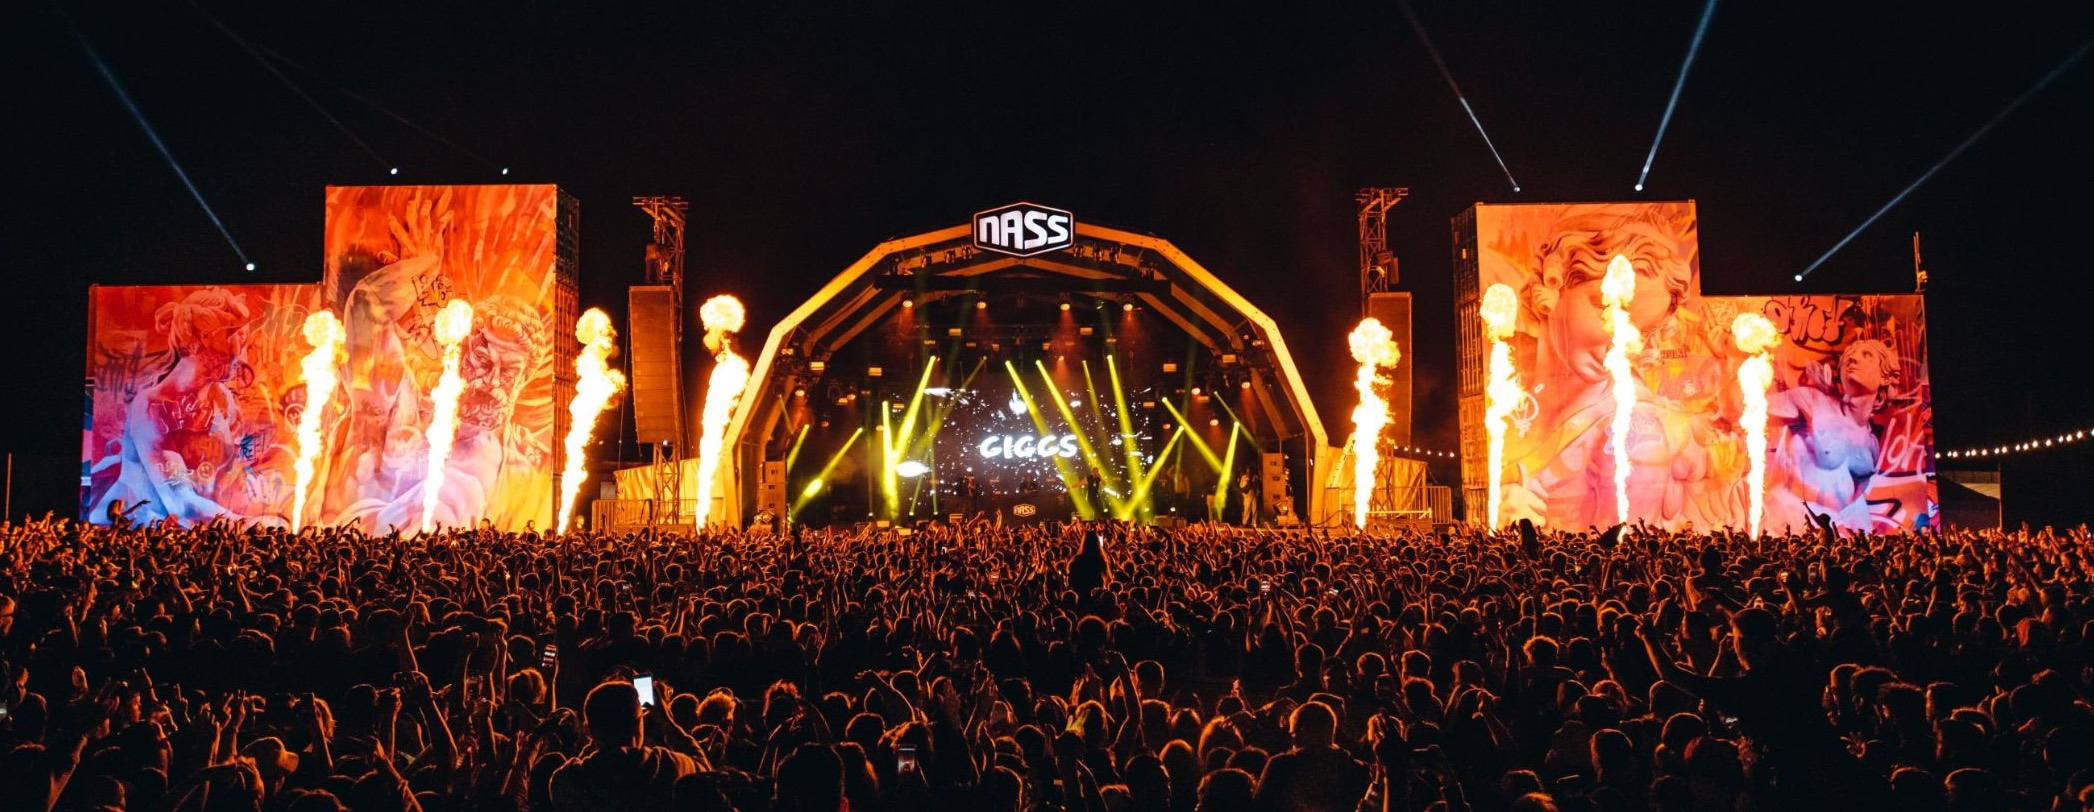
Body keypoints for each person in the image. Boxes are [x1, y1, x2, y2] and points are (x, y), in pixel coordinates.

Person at [548, 681, 705, 811]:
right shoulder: (669, 766)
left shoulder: (569, 781)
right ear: (639, 725)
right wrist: (667, 721)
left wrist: (594, 741)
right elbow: (704, 768)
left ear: (589, 731)